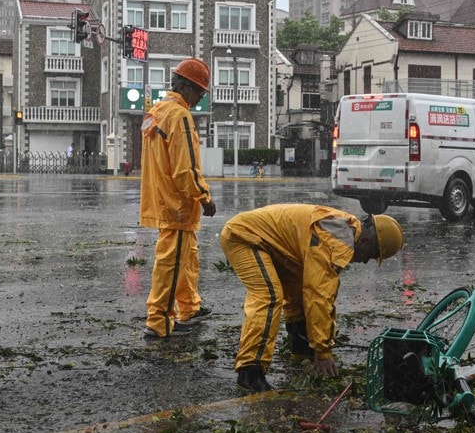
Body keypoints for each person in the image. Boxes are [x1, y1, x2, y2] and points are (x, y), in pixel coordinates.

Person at [220, 204, 405, 393]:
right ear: (366, 241)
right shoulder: (335, 242)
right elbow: (319, 296)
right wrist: (323, 351)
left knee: (298, 284)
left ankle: (301, 348)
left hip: (266, 241)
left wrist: (313, 344)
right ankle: (250, 371)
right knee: (269, 296)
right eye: (371, 255)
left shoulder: (344, 230)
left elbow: (305, 290)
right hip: (244, 237)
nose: (365, 261)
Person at [140, 58, 216, 340]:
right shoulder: (180, 116)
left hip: (163, 198)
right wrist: (203, 195)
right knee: (171, 265)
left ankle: (189, 308)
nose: (198, 100)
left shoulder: (157, 111)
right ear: (186, 87)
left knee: (186, 258)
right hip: (178, 205)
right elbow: (186, 167)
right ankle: (158, 321)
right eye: (198, 93)